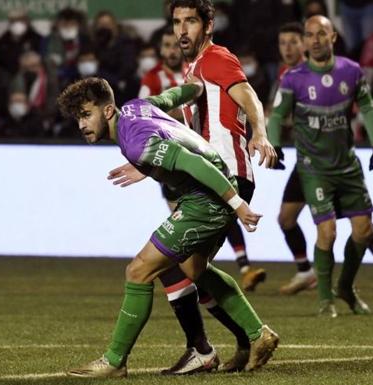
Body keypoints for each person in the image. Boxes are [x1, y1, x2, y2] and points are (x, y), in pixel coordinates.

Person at [58, 77, 279, 378]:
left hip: (208, 197)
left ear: (108, 111)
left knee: (138, 270)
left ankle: (114, 361)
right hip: (204, 192)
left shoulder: (135, 142)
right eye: (78, 118)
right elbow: (173, 96)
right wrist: (196, 89)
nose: (81, 124)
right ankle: (257, 334)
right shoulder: (137, 107)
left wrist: (237, 204)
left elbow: (191, 163)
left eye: (86, 114)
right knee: (194, 269)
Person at [106, 0, 278, 373]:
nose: (182, 30)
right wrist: (146, 165)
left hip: (225, 175)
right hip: (212, 176)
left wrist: (260, 134)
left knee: (149, 267)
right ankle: (252, 337)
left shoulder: (216, 58)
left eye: (190, 22)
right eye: (177, 22)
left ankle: (206, 348)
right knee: (193, 268)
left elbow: (249, 96)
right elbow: (185, 138)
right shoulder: (194, 69)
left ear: (209, 24)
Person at [268, 15, 373, 317]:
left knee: (364, 232)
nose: (314, 40)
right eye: (309, 35)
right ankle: (325, 299)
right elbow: (277, 115)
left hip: (348, 165)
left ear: (333, 38)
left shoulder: (351, 72)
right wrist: (274, 145)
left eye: (320, 34)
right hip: (314, 168)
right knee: (326, 233)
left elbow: (366, 106)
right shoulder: (293, 77)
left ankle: (346, 288)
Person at [268, 22, 318, 295]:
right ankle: (305, 271)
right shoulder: (285, 75)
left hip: (328, 159)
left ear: (304, 44)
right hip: (304, 159)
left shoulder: (317, 71)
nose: (287, 48)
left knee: (358, 226)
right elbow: (278, 113)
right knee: (286, 219)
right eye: (282, 43)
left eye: (292, 42)